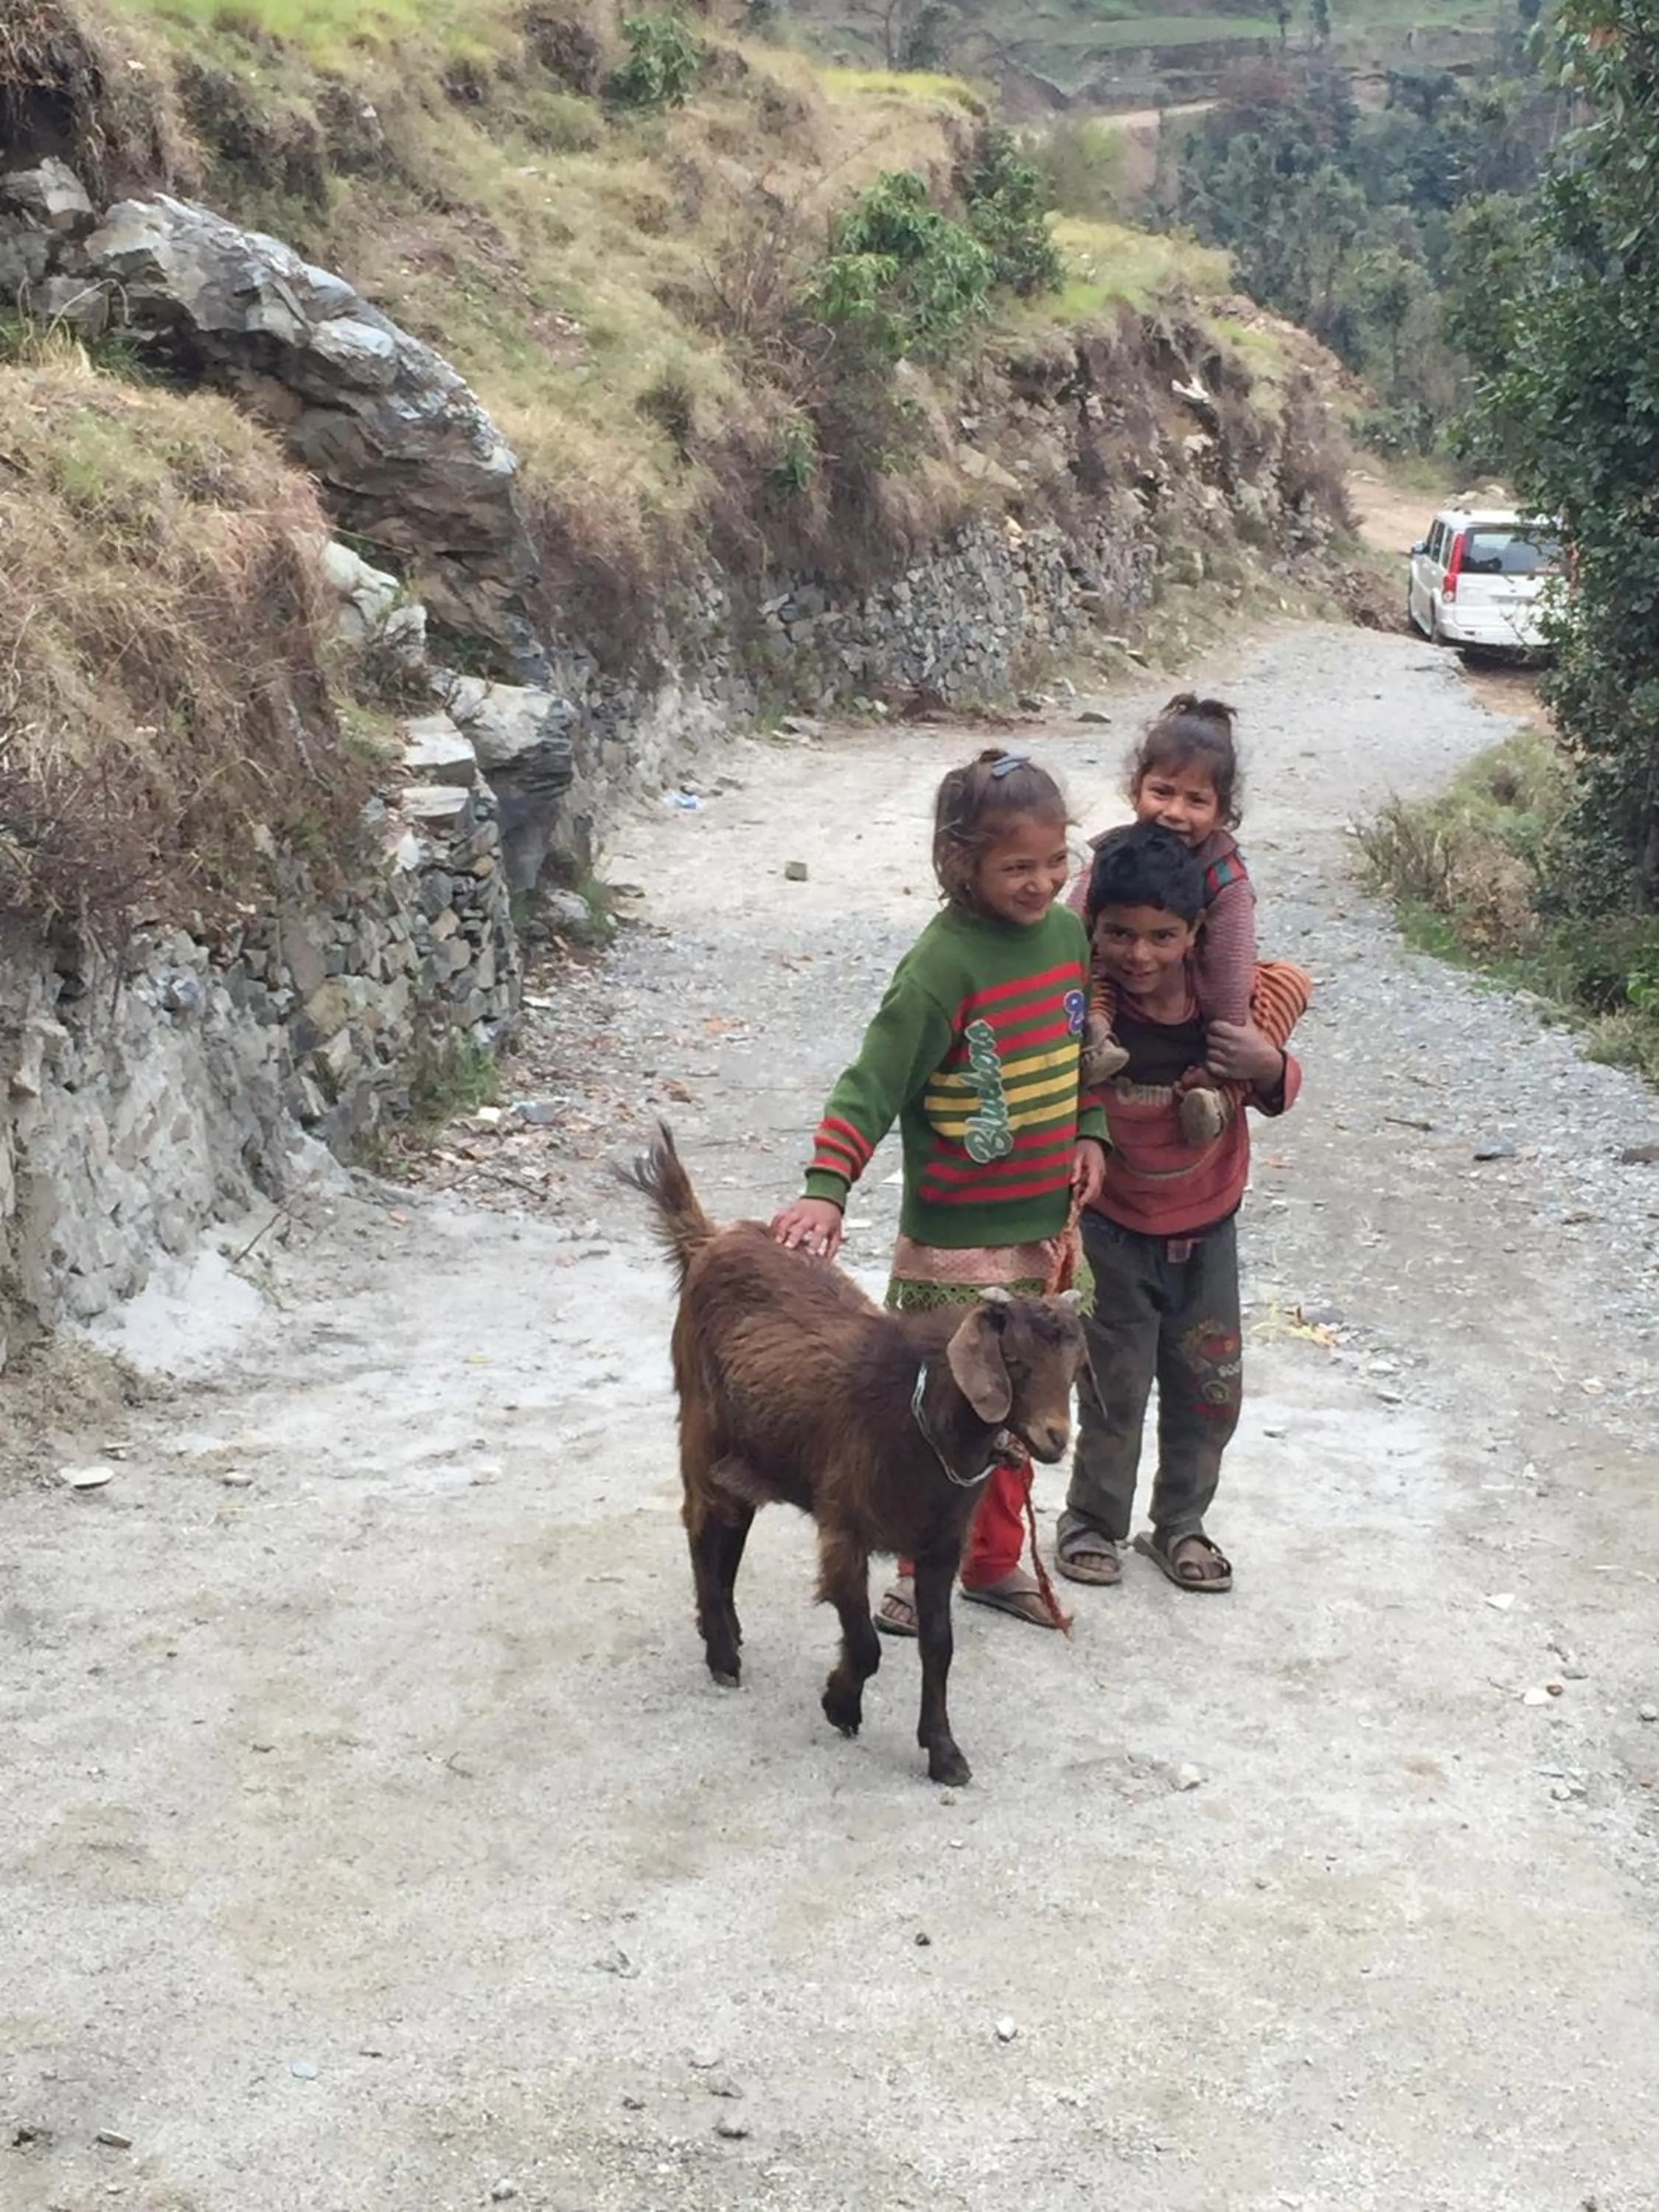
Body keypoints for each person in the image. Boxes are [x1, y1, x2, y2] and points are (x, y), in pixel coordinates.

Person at [773, 747, 1109, 1633]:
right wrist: (826, 1187)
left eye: (1053, 861)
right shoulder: (940, 969)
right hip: (958, 1246)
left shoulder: (1070, 939)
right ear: (961, 864)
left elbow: (1083, 1063)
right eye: (1017, 867)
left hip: (1046, 1238)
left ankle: (991, 1565)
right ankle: (919, 1565)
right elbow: (871, 1084)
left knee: (1027, 1414)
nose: (1041, 883)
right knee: (948, 1416)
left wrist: (1089, 1131)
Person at [1054, 821, 1305, 1595]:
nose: (1140, 954)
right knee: (1110, 1390)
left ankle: (1182, 1524)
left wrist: (1267, 1066)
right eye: (1120, 934)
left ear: (1196, 932)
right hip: (1111, 1236)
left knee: (1209, 1390)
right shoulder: (1088, 1020)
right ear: (1094, 931)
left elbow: (1276, 1078)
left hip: (1207, 1234)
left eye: (1163, 935)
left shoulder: (1223, 1006)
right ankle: (1093, 1522)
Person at [1073, 694, 1255, 1145]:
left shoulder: (1226, 879)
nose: (1174, 812)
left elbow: (1230, 974)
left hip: (1193, 993)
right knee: (1099, 967)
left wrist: (1221, 1051)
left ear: (1222, 811)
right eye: (1162, 792)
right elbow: (1071, 927)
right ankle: (1097, 1040)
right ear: (1137, 790)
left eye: (1196, 800)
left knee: (1280, 985)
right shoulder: (1115, 852)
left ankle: (1213, 1096)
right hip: (1119, 980)